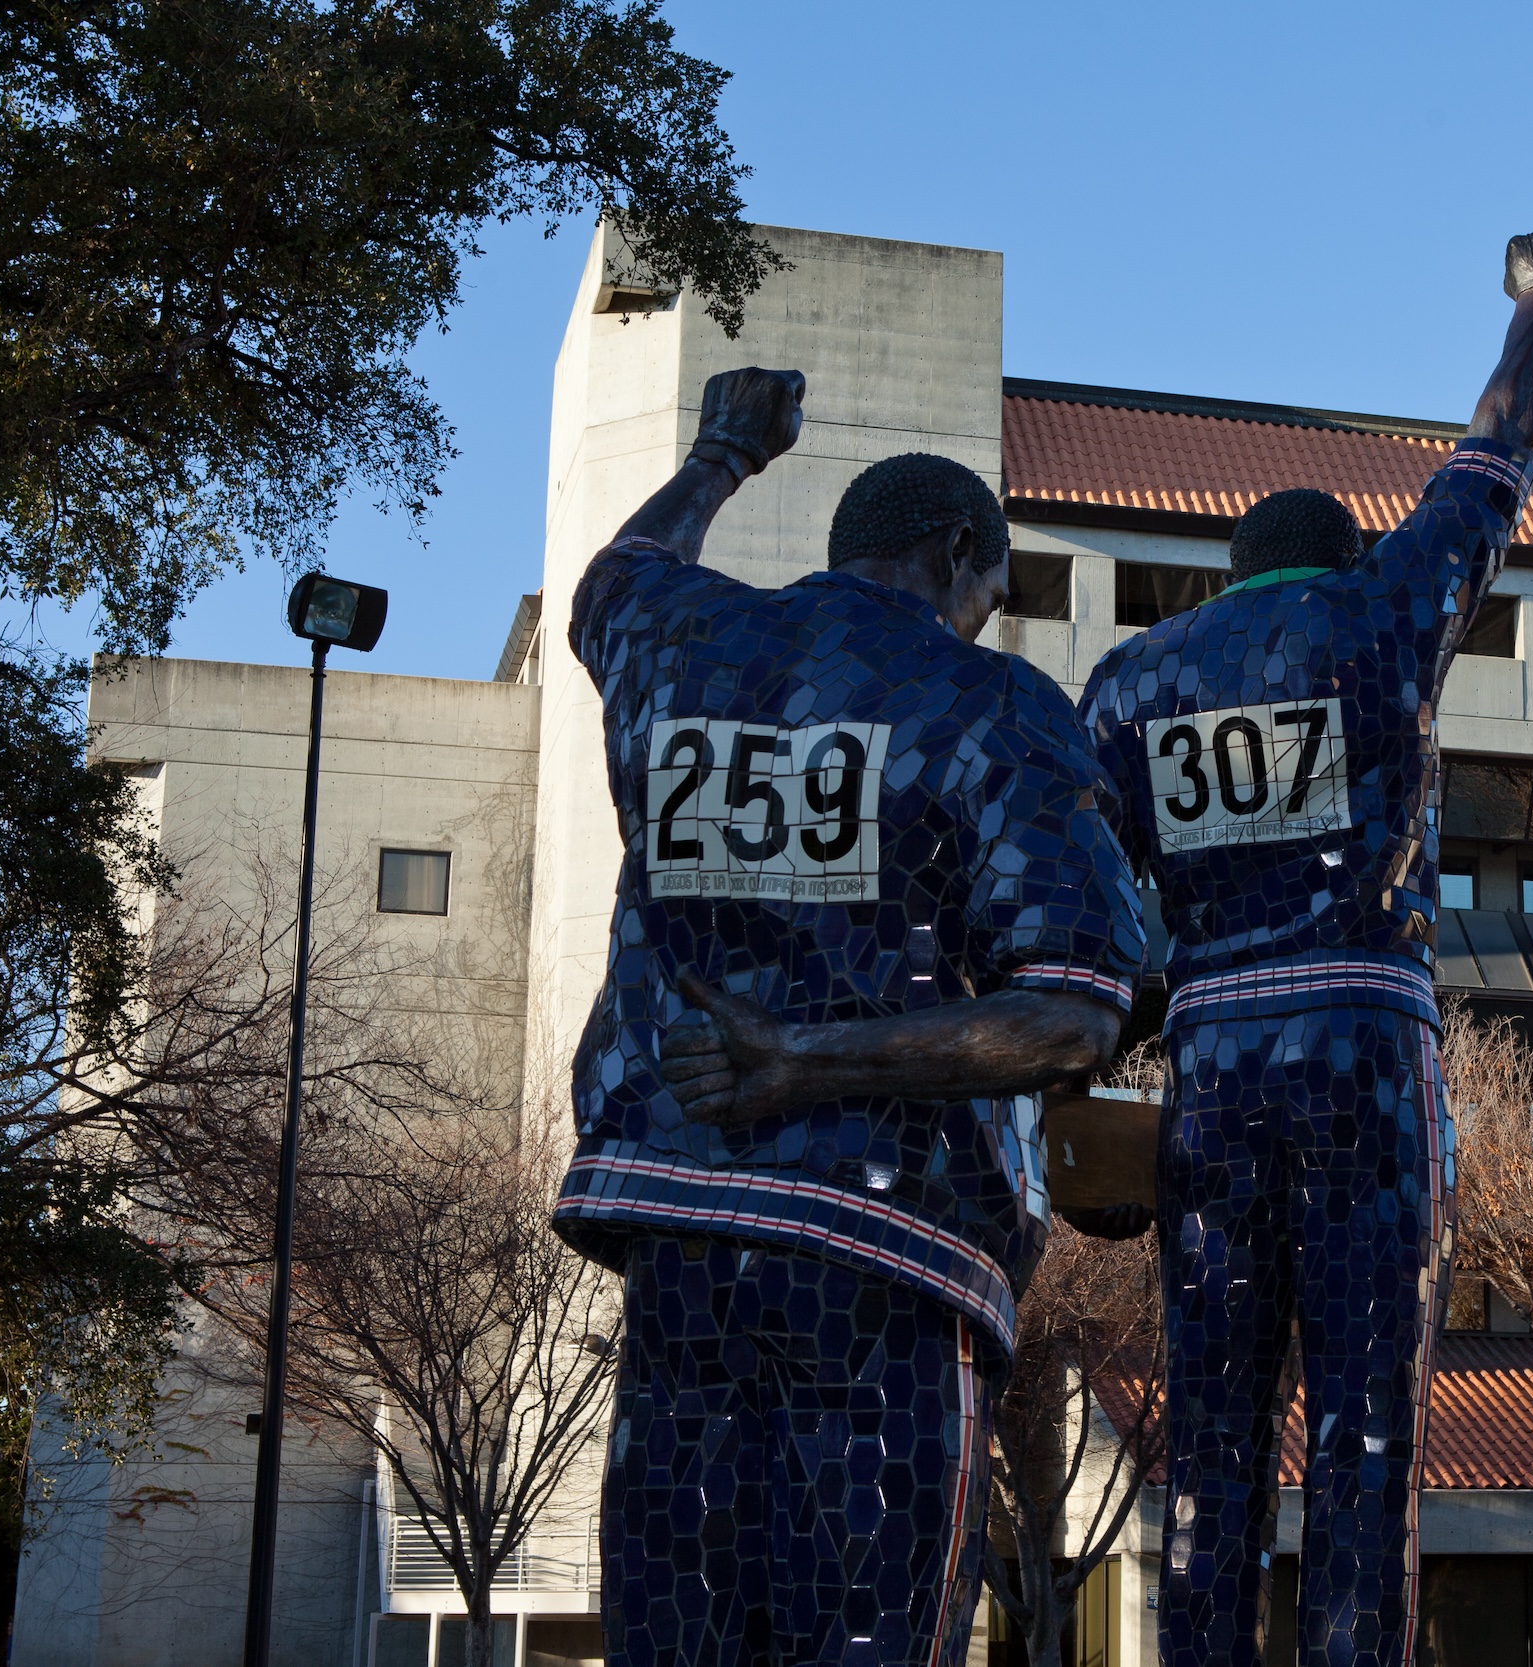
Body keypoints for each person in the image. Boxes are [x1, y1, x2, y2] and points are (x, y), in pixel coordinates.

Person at [552, 365, 1148, 1667]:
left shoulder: (681, 642)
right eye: (990, 591)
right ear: (957, 557)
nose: (985, 617)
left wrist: (722, 454)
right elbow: (1071, 1014)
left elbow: (613, 575)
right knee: (870, 1629)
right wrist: (803, 1063)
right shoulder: (991, 708)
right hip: (889, 1242)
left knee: (677, 1620)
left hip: (680, 1226)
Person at [1074, 233, 1533, 1667]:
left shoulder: (1133, 683)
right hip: (1364, 1050)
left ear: (1227, 578)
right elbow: (1502, 445)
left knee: (1211, 1432)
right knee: (1368, 1434)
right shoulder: (1381, 616)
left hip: (1214, 1071)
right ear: (1343, 556)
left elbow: (1086, 897)